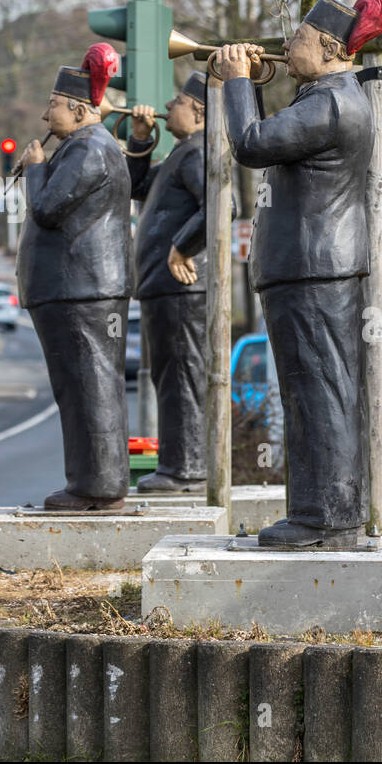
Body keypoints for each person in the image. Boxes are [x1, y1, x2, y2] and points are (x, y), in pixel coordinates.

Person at [213, 0, 382, 549]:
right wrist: (252, 87)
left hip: (314, 265)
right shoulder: (324, 98)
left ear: (330, 47)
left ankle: (326, 518)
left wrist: (236, 80)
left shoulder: (330, 102)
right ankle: (320, 512)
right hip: (313, 265)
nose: (286, 47)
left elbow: (249, 143)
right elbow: (271, 145)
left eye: (296, 39)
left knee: (318, 391)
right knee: (312, 390)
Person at [17, 43, 132, 511]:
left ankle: (98, 486)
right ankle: (90, 481)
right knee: (80, 386)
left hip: (82, 290)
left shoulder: (87, 151)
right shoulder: (84, 148)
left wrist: (34, 171)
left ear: (80, 109)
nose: (47, 117)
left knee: (90, 386)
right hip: (75, 290)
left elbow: (46, 209)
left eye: (53, 105)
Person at [125, 71, 209, 493]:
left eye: (176, 101)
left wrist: (182, 247)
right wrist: (141, 140)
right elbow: (135, 184)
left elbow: (217, 208)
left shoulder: (196, 154)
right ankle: (179, 463)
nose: (168, 106)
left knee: (181, 373)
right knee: (169, 373)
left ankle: (186, 467)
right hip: (166, 287)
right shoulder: (180, 154)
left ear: (198, 111)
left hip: (182, 285)